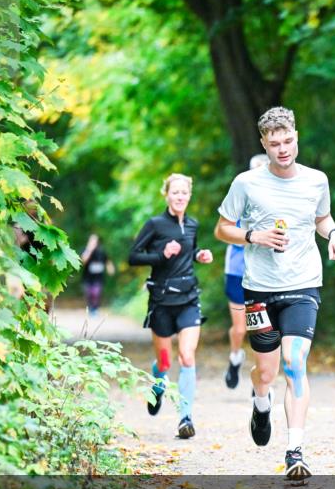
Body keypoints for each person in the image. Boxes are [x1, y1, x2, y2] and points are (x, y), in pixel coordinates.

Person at [214, 107, 335, 480]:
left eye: (288, 141)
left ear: (296, 137)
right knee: (266, 372)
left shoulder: (316, 180)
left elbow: (322, 218)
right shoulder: (246, 183)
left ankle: (295, 451)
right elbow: (222, 229)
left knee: (294, 362)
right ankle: (261, 403)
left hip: (303, 283)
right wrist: (253, 235)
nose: (283, 149)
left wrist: (334, 235)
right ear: (264, 143)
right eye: (275, 144)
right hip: (259, 288)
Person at [129, 173, 214, 440]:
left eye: (184, 192)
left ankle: (185, 418)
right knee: (165, 362)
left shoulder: (192, 224)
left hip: (188, 298)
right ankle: (158, 383)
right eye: (175, 192)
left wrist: (200, 255)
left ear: (189, 195)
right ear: (166, 195)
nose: (180, 196)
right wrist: (161, 255)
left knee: (187, 356)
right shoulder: (155, 225)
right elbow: (133, 256)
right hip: (162, 301)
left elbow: (191, 251)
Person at [223, 153, 271, 389]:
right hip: (237, 271)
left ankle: (260, 379)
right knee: (241, 328)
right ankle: (235, 358)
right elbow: (226, 232)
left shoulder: (277, 202)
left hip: (267, 273)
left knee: (262, 330)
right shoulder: (239, 198)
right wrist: (254, 236)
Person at [80, 233, 115, 316]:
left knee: (96, 293)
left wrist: (110, 269)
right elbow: (83, 261)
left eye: (95, 240)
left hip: (98, 278)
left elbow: (107, 261)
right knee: (89, 294)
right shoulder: (85, 250)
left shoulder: (101, 251)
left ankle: (95, 309)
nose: (93, 242)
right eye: (92, 240)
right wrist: (89, 249)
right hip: (87, 278)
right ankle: (90, 309)